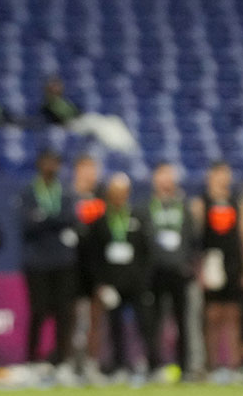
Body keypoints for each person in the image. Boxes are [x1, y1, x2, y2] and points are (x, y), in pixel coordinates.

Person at [16, 152, 79, 384]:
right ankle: (32, 361)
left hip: (62, 261)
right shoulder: (28, 192)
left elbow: (70, 218)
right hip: (37, 261)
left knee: (64, 313)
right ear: (39, 165)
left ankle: (62, 362)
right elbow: (26, 223)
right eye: (47, 162)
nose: (51, 166)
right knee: (38, 311)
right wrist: (55, 220)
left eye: (55, 162)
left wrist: (44, 218)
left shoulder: (65, 192)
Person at [191, 161, 243, 384]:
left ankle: (234, 365)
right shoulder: (201, 203)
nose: (222, 178)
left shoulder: (239, 202)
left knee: (234, 314)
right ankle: (212, 366)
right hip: (211, 263)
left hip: (233, 263)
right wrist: (198, 268)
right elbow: (196, 238)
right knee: (212, 315)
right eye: (218, 174)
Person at [87, 173, 153, 380]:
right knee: (114, 325)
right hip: (112, 282)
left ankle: (149, 363)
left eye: (122, 193)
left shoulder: (136, 218)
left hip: (135, 281)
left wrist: (144, 279)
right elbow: (94, 256)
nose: (118, 197)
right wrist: (101, 283)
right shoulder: (101, 222)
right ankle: (118, 365)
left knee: (144, 323)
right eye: (115, 193)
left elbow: (146, 251)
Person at [143, 162, 194, 381]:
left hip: (178, 270)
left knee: (182, 320)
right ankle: (153, 365)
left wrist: (189, 264)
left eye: (169, 175)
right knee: (153, 320)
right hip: (154, 272)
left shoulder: (183, 206)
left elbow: (192, 237)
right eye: (161, 175)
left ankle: (184, 366)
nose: (165, 180)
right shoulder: (146, 207)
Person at [70, 155, 106, 382]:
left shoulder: (101, 199)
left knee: (95, 318)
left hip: (96, 266)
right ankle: (72, 364)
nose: (90, 175)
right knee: (73, 317)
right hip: (72, 265)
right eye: (85, 169)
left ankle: (91, 364)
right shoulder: (67, 197)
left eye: (93, 170)